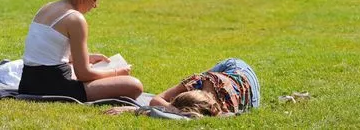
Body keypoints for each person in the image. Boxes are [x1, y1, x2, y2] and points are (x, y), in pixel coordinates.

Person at [18, 0, 143, 102]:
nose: (95, 6)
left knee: (88, 67)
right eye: (94, 0)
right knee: (134, 85)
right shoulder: (75, 18)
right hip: (54, 87)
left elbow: (46, 54)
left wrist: (88, 58)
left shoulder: (47, 7)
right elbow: (83, 74)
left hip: (28, 82)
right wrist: (117, 72)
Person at [107, 58, 260, 118]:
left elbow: (187, 117)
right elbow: (156, 100)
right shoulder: (197, 81)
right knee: (204, 78)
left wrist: (138, 110)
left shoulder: (225, 109)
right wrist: (169, 108)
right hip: (232, 69)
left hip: (243, 78)